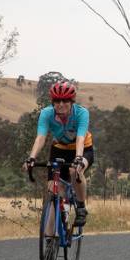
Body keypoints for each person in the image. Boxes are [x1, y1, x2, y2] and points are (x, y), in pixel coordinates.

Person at [22, 80, 94, 226]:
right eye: (57, 100)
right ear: (52, 101)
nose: (60, 104)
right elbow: (41, 137)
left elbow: (80, 138)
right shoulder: (46, 113)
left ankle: (81, 207)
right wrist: (31, 158)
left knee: (74, 171)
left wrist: (79, 158)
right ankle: (49, 240)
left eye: (65, 100)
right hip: (59, 149)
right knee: (53, 190)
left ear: (71, 101)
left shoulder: (81, 113)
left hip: (83, 148)